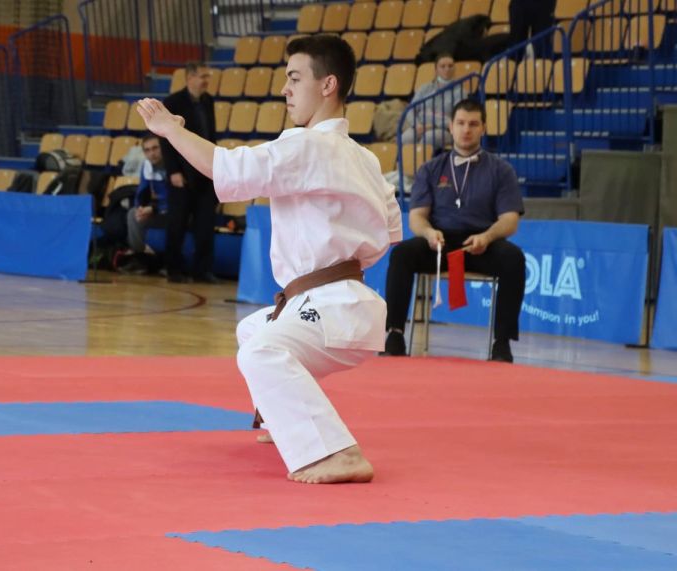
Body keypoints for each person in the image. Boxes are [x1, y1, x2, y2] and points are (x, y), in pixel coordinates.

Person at [136, 34, 402, 484]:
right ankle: (287, 421)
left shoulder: (308, 146)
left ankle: (336, 453)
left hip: (332, 303)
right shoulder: (365, 159)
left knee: (262, 352)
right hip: (348, 302)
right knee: (253, 330)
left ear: (328, 85)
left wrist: (171, 131)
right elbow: (390, 236)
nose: (285, 89)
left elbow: (225, 167)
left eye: (295, 79)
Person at [383, 99, 525, 363]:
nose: (466, 129)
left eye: (473, 124)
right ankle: (394, 334)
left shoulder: (501, 170)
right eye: (460, 123)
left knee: (513, 259)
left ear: (483, 128)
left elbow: (510, 220)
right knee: (402, 254)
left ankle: (502, 343)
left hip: (481, 244)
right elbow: (416, 217)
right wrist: (429, 233)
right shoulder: (430, 169)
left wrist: (487, 237)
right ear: (450, 126)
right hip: (440, 242)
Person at [160, 62, 219, 284]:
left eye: (207, 76)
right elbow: (165, 139)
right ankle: (173, 269)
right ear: (189, 78)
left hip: (205, 171)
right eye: (203, 76)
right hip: (182, 173)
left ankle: (202, 270)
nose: (206, 81)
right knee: (177, 224)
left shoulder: (208, 101)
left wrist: (215, 165)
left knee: (205, 224)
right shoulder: (172, 102)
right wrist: (173, 171)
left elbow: (210, 135)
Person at [401, 53, 463, 150]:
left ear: (454, 68)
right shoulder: (425, 88)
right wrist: (417, 124)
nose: (447, 69)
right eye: (443, 66)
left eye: (450, 66)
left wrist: (432, 125)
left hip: (444, 130)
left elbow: (457, 119)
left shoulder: (460, 92)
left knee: (429, 137)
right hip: (420, 126)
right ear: (436, 70)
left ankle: (423, 160)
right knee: (406, 138)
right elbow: (410, 109)